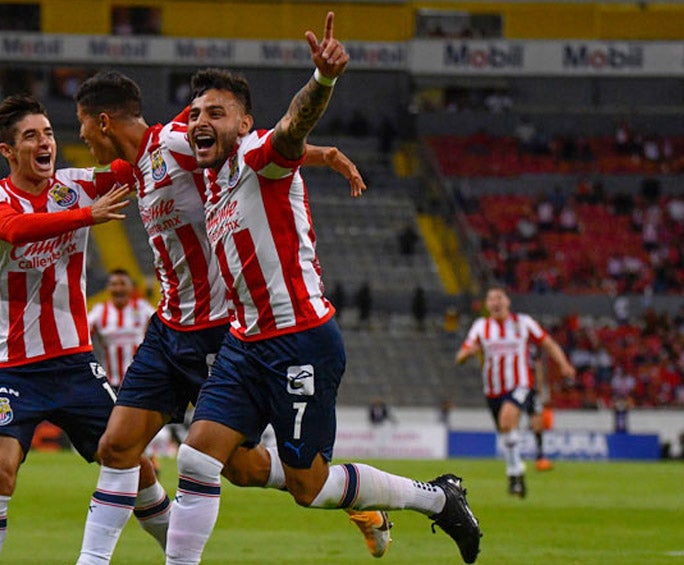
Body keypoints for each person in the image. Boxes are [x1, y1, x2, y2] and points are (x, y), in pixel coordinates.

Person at [165, 13, 481, 565]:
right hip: (245, 345)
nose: (200, 121)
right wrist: (329, 154)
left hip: (300, 342)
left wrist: (323, 82)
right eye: (194, 113)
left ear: (244, 124)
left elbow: (292, 128)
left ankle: (435, 498)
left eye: (216, 112)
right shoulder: (212, 181)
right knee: (204, 459)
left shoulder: (257, 155)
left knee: (309, 487)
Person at [73, 69, 385, 564]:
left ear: (101, 121)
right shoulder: (134, 168)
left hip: (219, 331)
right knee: (116, 448)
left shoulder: (178, 144)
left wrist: (318, 153)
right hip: (168, 327)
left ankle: (347, 495)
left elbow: (253, 149)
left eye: (81, 126)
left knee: (237, 468)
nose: (81, 137)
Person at [0, 94, 155, 565]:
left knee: (139, 466)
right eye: (31, 136)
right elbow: (13, 230)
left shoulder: (76, 184)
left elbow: (142, 163)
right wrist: (88, 214)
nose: (45, 142)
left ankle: (182, 555)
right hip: (13, 366)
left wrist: (133, 133)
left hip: (74, 364)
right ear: (8, 151)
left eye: (48, 133)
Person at [455, 285, 575, 499]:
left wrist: (564, 364)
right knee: (505, 431)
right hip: (492, 389)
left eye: (499, 297)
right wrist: (468, 354)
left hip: (520, 384)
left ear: (508, 302)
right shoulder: (481, 326)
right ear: (487, 305)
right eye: (491, 298)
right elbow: (460, 356)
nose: (496, 301)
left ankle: (514, 472)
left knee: (507, 421)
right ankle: (516, 472)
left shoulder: (523, 322)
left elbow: (548, 343)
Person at [87, 269, 155, 390]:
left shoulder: (142, 308)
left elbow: (164, 327)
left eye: (122, 284)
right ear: (108, 288)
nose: (118, 289)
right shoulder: (100, 311)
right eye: (114, 284)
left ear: (130, 288)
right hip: (111, 383)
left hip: (140, 380)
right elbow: (82, 335)